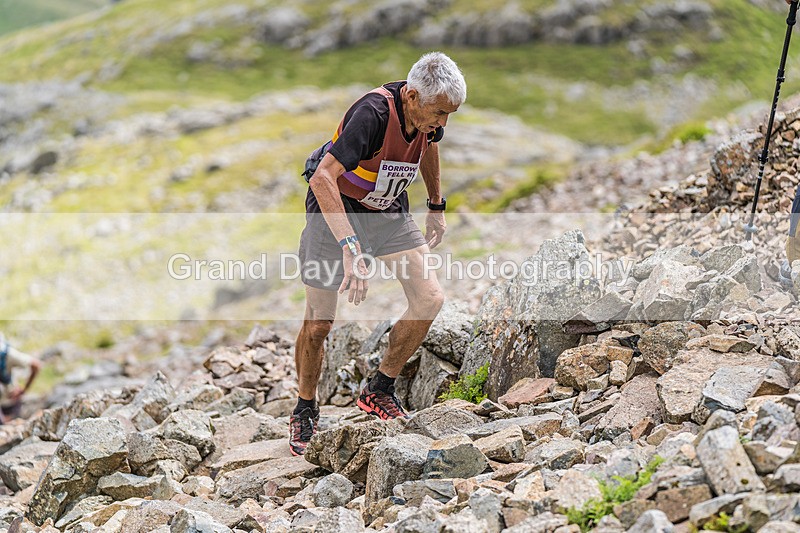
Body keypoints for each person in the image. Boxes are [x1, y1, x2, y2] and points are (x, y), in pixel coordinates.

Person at [289, 52, 467, 455]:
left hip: (386, 210)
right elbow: (322, 178)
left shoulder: (428, 119)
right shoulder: (372, 115)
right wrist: (350, 247)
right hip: (335, 208)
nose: (442, 123)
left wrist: (436, 204)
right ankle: (305, 408)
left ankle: (379, 389)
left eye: (449, 115)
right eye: (439, 112)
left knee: (429, 298)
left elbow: (429, 146)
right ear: (411, 95)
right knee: (319, 325)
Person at [0, 334, 42, 423]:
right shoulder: (6, 353)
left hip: (8, 402)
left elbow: (36, 365)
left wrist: (24, 389)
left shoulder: (7, 354)